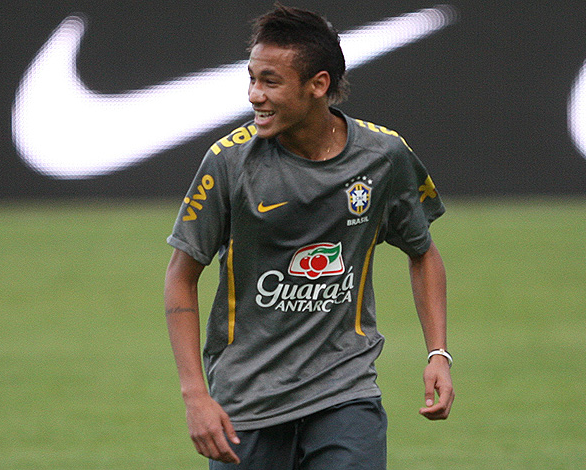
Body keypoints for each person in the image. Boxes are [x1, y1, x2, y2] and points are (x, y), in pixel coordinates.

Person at [164, 4, 454, 468]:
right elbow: (181, 276)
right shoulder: (229, 163)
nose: (255, 95)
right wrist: (195, 394)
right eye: (252, 79)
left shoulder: (383, 156)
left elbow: (423, 252)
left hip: (345, 392)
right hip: (248, 402)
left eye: (270, 82)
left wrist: (438, 353)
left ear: (318, 85)